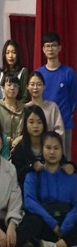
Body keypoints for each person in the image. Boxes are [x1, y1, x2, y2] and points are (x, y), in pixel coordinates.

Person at [23, 131, 77, 247]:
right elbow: (30, 202)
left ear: (62, 150)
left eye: (56, 148)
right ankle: (69, 244)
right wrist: (53, 224)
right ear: (42, 150)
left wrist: (64, 227)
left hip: (67, 221)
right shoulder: (32, 175)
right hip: (45, 222)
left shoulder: (72, 176)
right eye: (48, 148)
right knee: (31, 223)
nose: (52, 152)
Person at [10, 105, 74, 186]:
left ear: (44, 124)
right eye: (31, 122)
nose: (35, 126)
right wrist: (32, 167)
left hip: (52, 185)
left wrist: (71, 166)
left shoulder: (51, 144)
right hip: (27, 188)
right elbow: (17, 174)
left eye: (39, 122)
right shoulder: (19, 149)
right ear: (25, 124)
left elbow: (63, 162)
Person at [36, 31, 76, 159]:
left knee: (65, 160)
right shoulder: (39, 73)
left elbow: (74, 100)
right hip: (43, 125)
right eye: (47, 46)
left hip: (64, 124)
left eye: (53, 45)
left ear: (59, 48)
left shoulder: (68, 73)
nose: (50, 49)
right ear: (43, 49)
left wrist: (65, 115)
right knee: (43, 160)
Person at [26, 71, 65, 137]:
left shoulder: (52, 107)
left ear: (44, 86)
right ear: (27, 87)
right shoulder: (25, 108)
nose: (35, 87)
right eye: (32, 84)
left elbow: (59, 131)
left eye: (39, 84)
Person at [0, 74, 25, 146]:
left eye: (15, 86)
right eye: (9, 85)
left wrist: (18, 140)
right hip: (1, 146)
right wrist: (9, 141)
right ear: (3, 87)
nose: (12, 88)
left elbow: (26, 131)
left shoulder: (24, 108)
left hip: (20, 145)